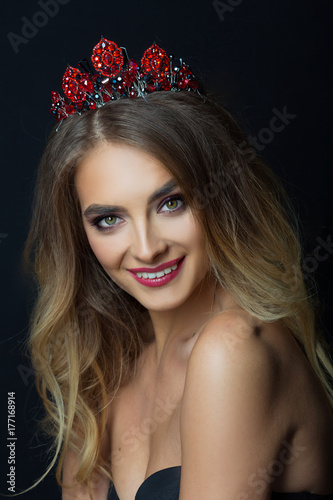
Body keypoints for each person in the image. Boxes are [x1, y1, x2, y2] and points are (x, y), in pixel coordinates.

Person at [25, 38, 333, 500]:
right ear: (80, 234)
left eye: (172, 203)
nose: (147, 249)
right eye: (109, 220)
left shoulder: (233, 350)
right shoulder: (109, 365)